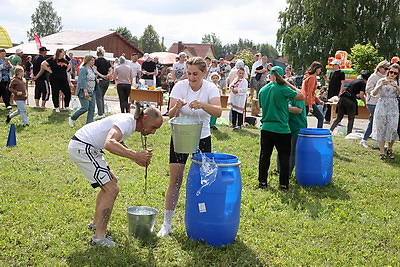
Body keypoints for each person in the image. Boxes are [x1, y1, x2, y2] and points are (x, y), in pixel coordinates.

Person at [68, 106, 163, 247]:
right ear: (145, 118)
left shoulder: (129, 123)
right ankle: (99, 238)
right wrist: (135, 155)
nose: (153, 132)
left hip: (86, 147)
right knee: (112, 189)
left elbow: (118, 141)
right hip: (83, 147)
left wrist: (135, 158)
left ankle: (96, 224)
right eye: (153, 127)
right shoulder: (127, 121)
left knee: (111, 183)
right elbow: (109, 143)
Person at [158, 57, 222, 237]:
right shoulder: (180, 86)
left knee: (203, 182)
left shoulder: (210, 88)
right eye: (189, 73)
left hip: (202, 137)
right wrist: (177, 106)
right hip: (180, 136)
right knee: (175, 180)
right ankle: (167, 223)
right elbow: (170, 115)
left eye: (195, 74)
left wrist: (203, 104)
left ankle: (201, 220)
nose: (191, 77)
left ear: (204, 73)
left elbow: (218, 111)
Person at [258, 66, 304, 190]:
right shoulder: (284, 89)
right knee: (284, 157)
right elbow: (301, 97)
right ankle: (283, 184)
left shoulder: (262, 90)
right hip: (282, 129)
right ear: (282, 76)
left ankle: (262, 182)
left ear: (270, 75)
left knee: (264, 156)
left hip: (266, 127)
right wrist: (290, 85)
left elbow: (261, 106)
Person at [371, 63, 400, 160]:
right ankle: (382, 151)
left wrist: (396, 87)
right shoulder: (381, 80)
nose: (392, 74)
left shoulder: (398, 82)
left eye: (395, 73)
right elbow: (373, 93)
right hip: (382, 104)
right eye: (391, 72)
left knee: (393, 127)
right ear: (388, 71)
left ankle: (390, 148)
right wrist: (380, 85)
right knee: (381, 127)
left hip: (393, 105)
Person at [69, 55, 107, 127]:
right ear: (87, 61)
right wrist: (85, 91)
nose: (93, 61)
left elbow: (94, 75)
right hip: (84, 92)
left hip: (92, 91)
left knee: (92, 108)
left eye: (93, 60)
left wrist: (96, 79)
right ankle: (72, 117)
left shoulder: (92, 68)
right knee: (85, 108)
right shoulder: (83, 69)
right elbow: (82, 81)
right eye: (92, 60)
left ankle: (89, 125)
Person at [359, 61, 390, 148]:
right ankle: (365, 139)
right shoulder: (374, 77)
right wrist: (378, 92)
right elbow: (368, 89)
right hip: (372, 102)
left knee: (376, 122)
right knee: (374, 121)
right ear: (380, 68)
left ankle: (375, 141)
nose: (387, 70)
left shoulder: (385, 78)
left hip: (379, 102)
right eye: (386, 68)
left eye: (388, 69)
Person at [34, 48, 74, 112]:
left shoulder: (64, 60)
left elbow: (69, 64)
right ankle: (56, 107)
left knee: (68, 92)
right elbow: (43, 64)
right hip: (55, 79)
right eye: (63, 52)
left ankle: (66, 106)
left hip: (64, 78)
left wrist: (67, 70)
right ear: (59, 53)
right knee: (55, 93)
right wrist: (49, 70)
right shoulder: (52, 59)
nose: (64, 53)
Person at [301, 61, 325, 128]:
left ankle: (301, 134)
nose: (320, 71)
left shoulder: (307, 76)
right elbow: (309, 92)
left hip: (304, 100)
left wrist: (319, 101)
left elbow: (312, 93)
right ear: (316, 69)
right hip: (308, 101)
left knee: (303, 120)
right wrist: (310, 105)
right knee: (320, 118)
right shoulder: (312, 78)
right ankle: (318, 134)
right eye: (320, 69)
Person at [94, 46, 112, 120]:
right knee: (102, 97)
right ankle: (102, 112)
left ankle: (100, 113)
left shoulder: (96, 61)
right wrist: (107, 75)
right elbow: (111, 70)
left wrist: (101, 75)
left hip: (100, 80)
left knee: (98, 97)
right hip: (106, 81)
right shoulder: (107, 61)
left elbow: (95, 70)